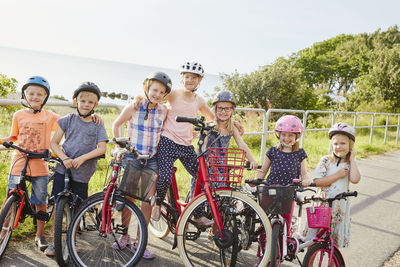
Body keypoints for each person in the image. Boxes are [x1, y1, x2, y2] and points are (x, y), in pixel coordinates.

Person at [111, 72, 172, 260]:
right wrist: (118, 146)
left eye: (162, 92)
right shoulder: (134, 106)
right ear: (146, 88)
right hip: (132, 156)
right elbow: (116, 124)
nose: (157, 94)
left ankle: (140, 242)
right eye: (154, 90)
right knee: (129, 197)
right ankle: (125, 236)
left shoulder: (164, 110)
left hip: (151, 159)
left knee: (147, 200)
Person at [45, 82, 108, 256]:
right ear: (75, 101)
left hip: (83, 172)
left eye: (90, 102)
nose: (86, 105)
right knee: (58, 205)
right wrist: (64, 158)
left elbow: (102, 148)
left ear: (95, 105)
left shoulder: (97, 124)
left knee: (77, 207)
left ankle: (72, 241)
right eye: (82, 101)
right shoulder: (68, 120)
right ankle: (54, 242)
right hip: (63, 169)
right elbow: (54, 143)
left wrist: (82, 158)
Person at [151, 62, 216, 225]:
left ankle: (196, 213)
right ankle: (157, 203)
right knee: (165, 177)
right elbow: (155, 98)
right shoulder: (174, 94)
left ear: (199, 80)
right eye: (186, 77)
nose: (189, 80)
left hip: (186, 145)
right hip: (167, 141)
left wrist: (203, 129)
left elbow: (211, 118)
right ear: (182, 78)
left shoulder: (199, 100)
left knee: (201, 177)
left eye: (193, 78)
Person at [0, 76, 60, 251]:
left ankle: (39, 235)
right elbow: (13, 137)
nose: (35, 97)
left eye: (39, 94)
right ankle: (3, 232)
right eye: (31, 93)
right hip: (19, 160)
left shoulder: (50, 116)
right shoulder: (18, 115)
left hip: (40, 162)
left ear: (45, 98)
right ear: (24, 95)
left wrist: (92, 117)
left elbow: (68, 123)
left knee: (40, 200)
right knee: (10, 197)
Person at [251, 114, 310, 266]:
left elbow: (304, 173)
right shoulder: (272, 151)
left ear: (297, 136)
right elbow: (263, 170)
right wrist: (256, 180)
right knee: (265, 226)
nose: (287, 138)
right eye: (283, 134)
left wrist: (306, 180)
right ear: (279, 134)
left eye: (291, 135)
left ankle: (278, 258)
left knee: (285, 226)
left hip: (288, 194)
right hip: (270, 191)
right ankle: (262, 257)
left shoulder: (300, 153)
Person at [307, 122, 361, 248]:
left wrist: (352, 159)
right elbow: (317, 182)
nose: (339, 146)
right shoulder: (326, 160)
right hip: (322, 204)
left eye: (343, 143)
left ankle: (332, 262)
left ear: (350, 145)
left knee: (334, 241)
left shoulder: (349, 163)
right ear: (332, 145)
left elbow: (355, 179)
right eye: (336, 144)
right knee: (314, 239)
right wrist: (337, 175)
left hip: (339, 207)